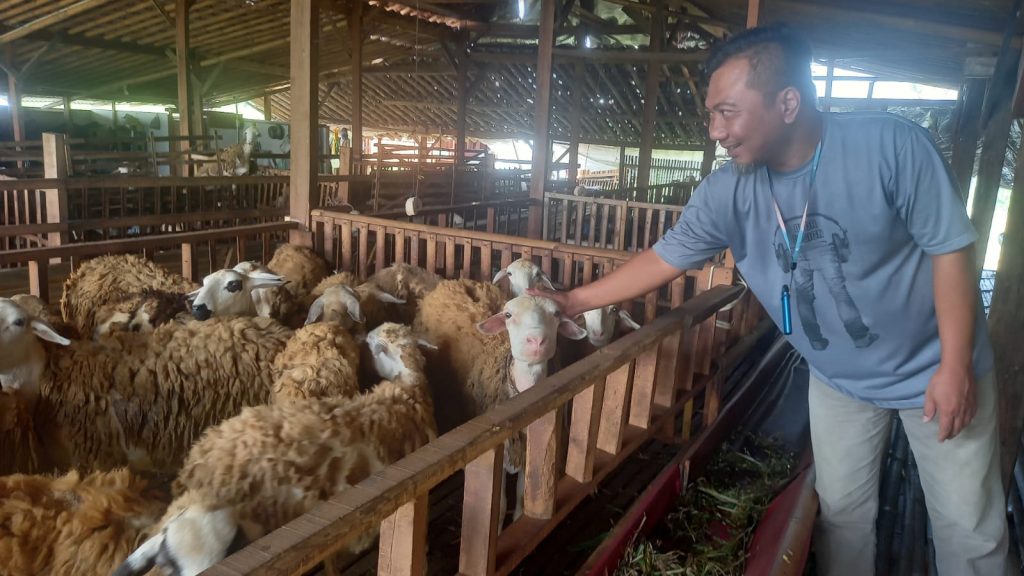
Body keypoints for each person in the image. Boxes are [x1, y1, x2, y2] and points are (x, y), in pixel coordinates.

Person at [530, 24, 1008, 576]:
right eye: (711, 115)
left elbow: (950, 250)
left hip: (933, 370)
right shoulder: (727, 190)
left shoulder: (891, 148)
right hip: (839, 382)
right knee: (841, 516)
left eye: (728, 113)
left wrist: (955, 366)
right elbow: (664, 259)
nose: (716, 131)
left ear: (787, 103)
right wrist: (572, 300)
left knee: (968, 530)